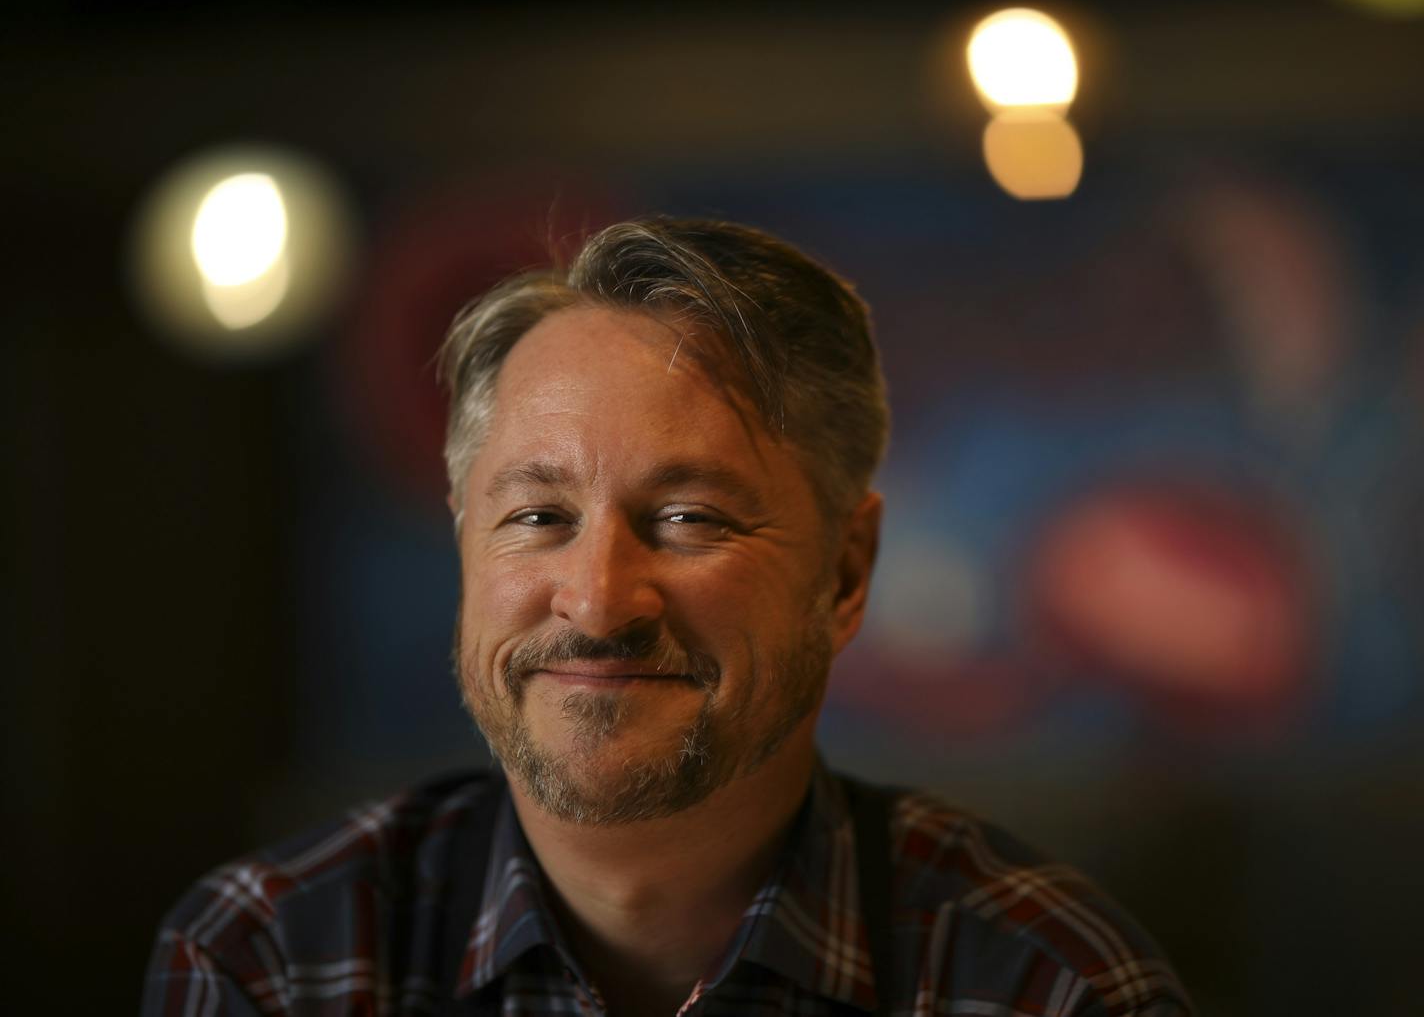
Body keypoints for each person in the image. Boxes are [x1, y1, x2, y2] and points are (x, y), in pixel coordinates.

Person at [144, 218, 1191, 1016]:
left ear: (843, 571)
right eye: (538, 514)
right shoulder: (274, 959)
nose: (597, 599)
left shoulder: (1048, 986)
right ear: (465, 544)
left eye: (687, 518)